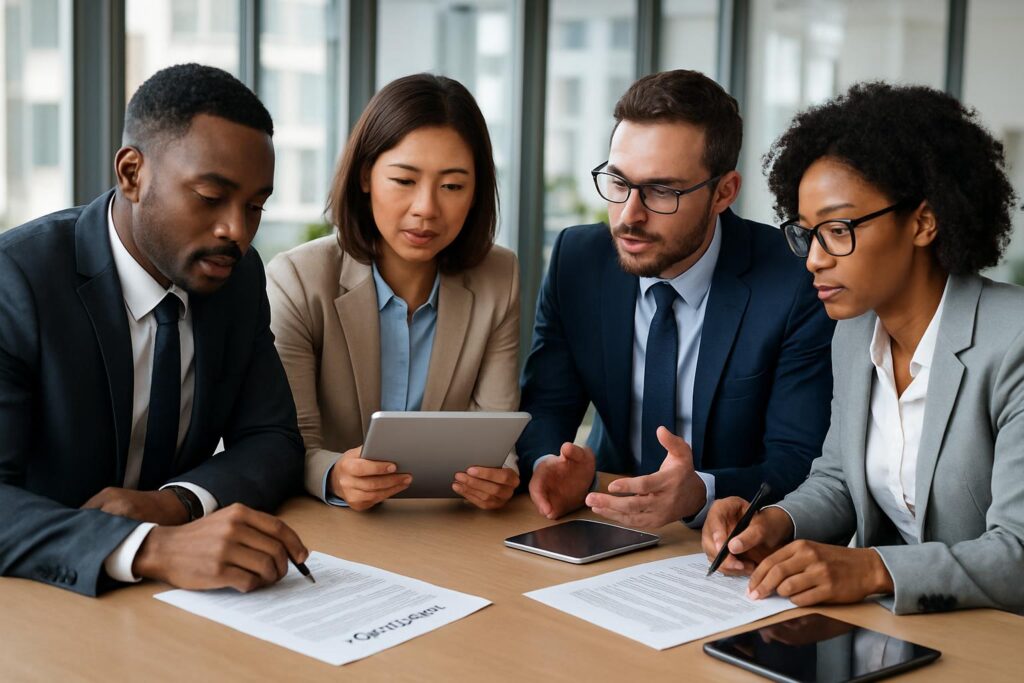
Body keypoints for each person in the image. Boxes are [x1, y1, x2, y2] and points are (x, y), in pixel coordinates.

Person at [702, 81, 1024, 614]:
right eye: (808, 233)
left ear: (923, 221)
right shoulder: (854, 333)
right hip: (897, 634)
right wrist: (774, 523)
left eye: (837, 229)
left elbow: (1017, 552)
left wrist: (874, 568)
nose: (814, 260)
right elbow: (840, 478)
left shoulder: (1012, 344)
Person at [0, 64, 308, 596]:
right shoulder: (18, 281)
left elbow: (271, 438)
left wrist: (175, 504)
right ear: (132, 173)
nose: (236, 230)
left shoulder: (237, 276)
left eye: (255, 206)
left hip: (179, 603)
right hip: (42, 599)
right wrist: (150, 546)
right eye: (211, 197)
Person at [517, 69, 836, 527]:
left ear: (724, 192)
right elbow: (548, 401)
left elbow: (800, 459)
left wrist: (700, 492)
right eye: (619, 181)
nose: (630, 215)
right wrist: (549, 464)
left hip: (724, 538)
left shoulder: (792, 281)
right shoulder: (578, 260)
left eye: (662, 190)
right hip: (604, 514)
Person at [267, 74, 520, 512]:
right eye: (404, 181)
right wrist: (333, 474)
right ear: (366, 176)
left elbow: (495, 432)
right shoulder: (298, 279)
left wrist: (502, 475)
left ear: (476, 192)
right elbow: (289, 444)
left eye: (453, 186)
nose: (426, 208)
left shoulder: (499, 276)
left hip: (448, 525)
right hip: (328, 527)